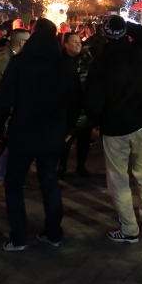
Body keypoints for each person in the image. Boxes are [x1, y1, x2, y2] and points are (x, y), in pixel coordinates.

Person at [0, 18, 81, 251]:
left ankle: (19, 237)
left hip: (23, 131)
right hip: (52, 132)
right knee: (49, 181)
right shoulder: (65, 65)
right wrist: (69, 129)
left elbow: (3, 97)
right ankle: (53, 232)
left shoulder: (20, 62)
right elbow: (75, 102)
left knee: (14, 184)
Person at [84, 17, 142, 243]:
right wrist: (129, 26)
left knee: (119, 180)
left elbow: (93, 101)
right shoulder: (140, 51)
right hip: (140, 122)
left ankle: (129, 228)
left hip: (114, 127)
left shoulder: (100, 63)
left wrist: (96, 120)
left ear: (105, 34)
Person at [0, 28, 31, 201]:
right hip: (10, 112)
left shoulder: (17, 59)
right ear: (21, 43)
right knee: (9, 149)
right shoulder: (4, 59)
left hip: (17, 111)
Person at [58, 32, 93, 178]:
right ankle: (62, 166)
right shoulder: (60, 61)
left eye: (80, 41)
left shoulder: (86, 59)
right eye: (74, 41)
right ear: (65, 44)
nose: (79, 44)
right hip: (67, 109)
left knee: (84, 140)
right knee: (65, 141)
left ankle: (81, 165)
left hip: (84, 108)